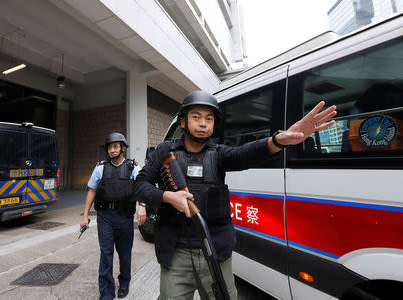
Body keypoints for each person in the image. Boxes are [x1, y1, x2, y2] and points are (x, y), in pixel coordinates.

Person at [134, 91, 337, 300]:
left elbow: (245, 154)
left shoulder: (220, 153)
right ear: (183, 122)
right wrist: (168, 197)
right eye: (196, 117)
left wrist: (278, 140)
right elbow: (139, 185)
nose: (203, 123)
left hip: (216, 253)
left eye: (209, 118)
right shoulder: (164, 151)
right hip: (176, 253)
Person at [80, 132, 146, 300]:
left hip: (124, 216)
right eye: (110, 147)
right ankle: (107, 292)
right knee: (106, 253)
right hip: (105, 217)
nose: (112, 150)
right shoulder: (100, 167)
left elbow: (141, 187)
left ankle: (124, 283)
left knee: (125, 254)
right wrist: (85, 216)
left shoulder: (132, 167)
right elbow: (92, 190)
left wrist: (142, 206)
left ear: (123, 148)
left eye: (116, 146)